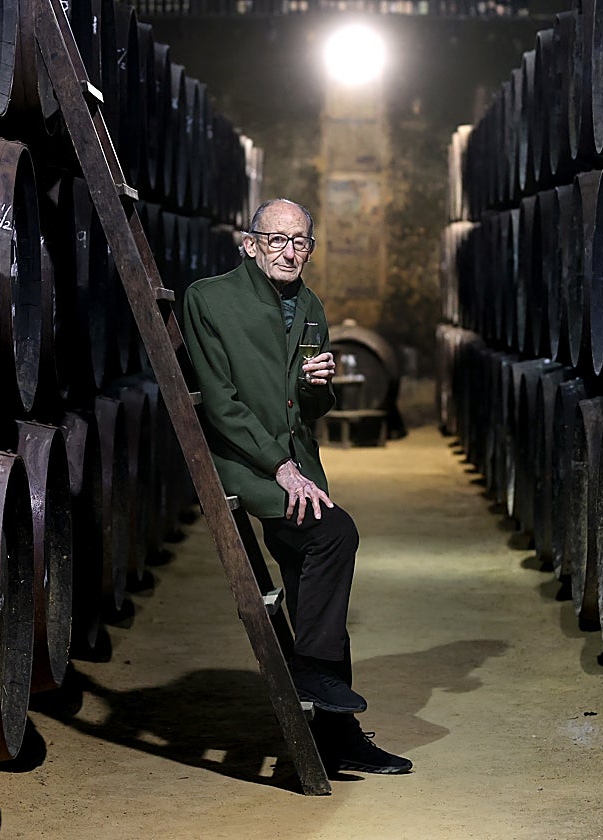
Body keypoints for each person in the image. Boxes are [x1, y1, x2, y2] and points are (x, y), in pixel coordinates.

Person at [181, 198, 412, 776]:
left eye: (301, 242)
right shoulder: (208, 298)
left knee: (317, 584)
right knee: (336, 536)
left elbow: (308, 409)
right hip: (244, 462)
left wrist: (320, 386)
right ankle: (318, 681)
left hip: (296, 465)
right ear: (249, 242)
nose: (290, 252)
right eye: (277, 239)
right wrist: (279, 465)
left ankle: (336, 729)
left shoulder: (310, 305)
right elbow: (220, 403)